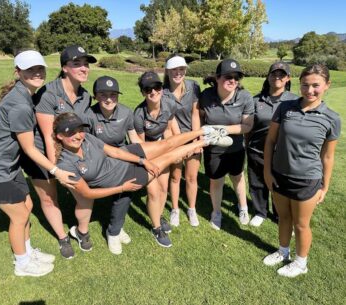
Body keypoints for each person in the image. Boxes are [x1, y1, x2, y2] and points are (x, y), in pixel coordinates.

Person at [53, 113, 232, 248]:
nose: (78, 136)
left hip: (127, 157)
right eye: (71, 133)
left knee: (165, 144)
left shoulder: (87, 139)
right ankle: (207, 141)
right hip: (125, 178)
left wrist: (141, 160)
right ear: (59, 136)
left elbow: (114, 151)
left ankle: (204, 131)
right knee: (168, 158)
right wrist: (122, 188)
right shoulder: (66, 165)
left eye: (79, 130)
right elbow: (87, 193)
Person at [0, 50, 75, 277]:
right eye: (30, 69)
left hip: (9, 165)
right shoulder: (20, 105)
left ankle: (28, 251)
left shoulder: (24, 95)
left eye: (40, 68)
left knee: (28, 205)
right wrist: (55, 170)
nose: (37, 73)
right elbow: (29, 148)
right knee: (19, 216)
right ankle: (22, 263)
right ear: (18, 72)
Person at [263, 64, 340, 278]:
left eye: (316, 85)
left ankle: (300, 262)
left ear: (327, 86)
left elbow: (327, 156)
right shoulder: (284, 108)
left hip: (307, 180)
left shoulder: (331, 118)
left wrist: (325, 185)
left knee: (301, 224)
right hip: (279, 175)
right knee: (283, 217)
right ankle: (283, 251)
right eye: (305, 85)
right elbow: (270, 141)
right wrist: (267, 172)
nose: (309, 90)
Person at [21, 45, 97, 259]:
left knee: (84, 192)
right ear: (64, 68)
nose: (83, 68)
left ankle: (82, 231)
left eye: (86, 63)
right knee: (49, 198)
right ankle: (63, 238)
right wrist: (56, 171)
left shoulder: (85, 96)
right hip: (40, 153)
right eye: (76, 63)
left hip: (67, 152)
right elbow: (47, 135)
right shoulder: (49, 93)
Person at [87, 75, 142, 254]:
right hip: (98, 162)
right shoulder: (89, 115)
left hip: (121, 156)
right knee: (124, 186)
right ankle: (114, 231)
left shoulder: (126, 113)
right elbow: (84, 145)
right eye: (103, 94)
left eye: (113, 94)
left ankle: (115, 229)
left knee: (129, 185)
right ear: (95, 96)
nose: (109, 99)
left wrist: (142, 157)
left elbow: (133, 139)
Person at [199, 58, 254, 230]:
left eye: (236, 77)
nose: (233, 80)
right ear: (217, 78)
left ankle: (243, 207)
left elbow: (247, 125)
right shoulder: (206, 96)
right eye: (228, 76)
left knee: (238, 177)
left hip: (235, 148)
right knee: (216, 181)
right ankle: (216, 212)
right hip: (213, 149)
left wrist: (222, 129)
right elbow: (200, 118)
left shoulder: (245, 97)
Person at [246, 62, 298, 227]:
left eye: (281, 74)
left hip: (281, 153)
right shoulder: (256, 100)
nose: (277, 77)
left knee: (279, 186)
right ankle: (260, 212)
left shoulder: (295, 100)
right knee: (257, 184)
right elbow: (249, 128)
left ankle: (279, 214)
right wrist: (248, 146)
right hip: (256, 150)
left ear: (287, 78)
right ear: (268, 77)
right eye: (274, 74)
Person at [134, 71, 176, 247]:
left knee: (163, 188)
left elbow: (167, 129)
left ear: (162, 88)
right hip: (146, 154)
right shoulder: (138, 114)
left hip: (162, 150)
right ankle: (156, 227)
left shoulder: (169, 105)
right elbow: (141, 146)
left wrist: (172, 149)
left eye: (157, 87)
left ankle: (157, 215)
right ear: (143, 92)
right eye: (148, 89)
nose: (153, 92)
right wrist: (148, 163)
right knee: (152, 191)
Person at [163, 54, 202, 227]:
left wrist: (197, 139)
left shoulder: (193, 86)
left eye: (181, 69)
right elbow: (167, 121)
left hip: (192, 136)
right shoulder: (162, 92)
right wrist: (175, 145)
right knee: (175, 176)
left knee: (192, 177)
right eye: (174, 70)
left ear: (185, 70)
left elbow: (195, 113)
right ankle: (175, 209)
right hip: (174, 139)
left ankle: (191, 209)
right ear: (167, 71)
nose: (178, 73)